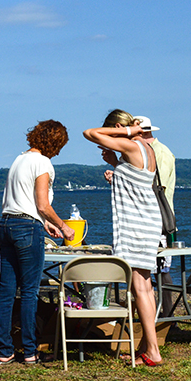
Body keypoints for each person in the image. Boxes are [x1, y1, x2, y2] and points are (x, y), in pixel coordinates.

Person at [84, 110, 163, 367]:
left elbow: (89, 133)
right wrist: (115, 165)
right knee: (145, 286)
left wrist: (126, 132)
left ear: (118, 126)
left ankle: (152, 351)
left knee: (139, 287)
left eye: (113, 130)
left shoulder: (131, 142)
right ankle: (147, 346)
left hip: (137, 223)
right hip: (148, 220)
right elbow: (138, 181)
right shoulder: (145, 148)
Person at [0, 120, 74, 365]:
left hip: (6, 224)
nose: (59, 151)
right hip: (27, 228)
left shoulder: (19, 160)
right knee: (30, 292)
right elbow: (42, 204)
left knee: (7, 292)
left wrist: (45, 223)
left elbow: (22, 201)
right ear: (55, 143)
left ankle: (4, 350)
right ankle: (30, 351)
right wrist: (63, 225)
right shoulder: (43, 162)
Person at [136, 115, 177, 315]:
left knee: (161, 270)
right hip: (156, 218)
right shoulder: (154, 151)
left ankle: (167, 316)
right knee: (157, 270)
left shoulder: (158, 153)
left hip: (159, 220)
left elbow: (156, 186)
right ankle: (162, 316)